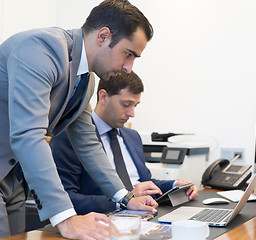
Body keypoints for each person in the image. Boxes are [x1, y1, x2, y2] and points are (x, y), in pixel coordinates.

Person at [0, 1, 158, 239]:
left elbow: (88, 143)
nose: (129, 67)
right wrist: (65, 217)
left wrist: (125, 197)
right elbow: (29, 135)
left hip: (14, 178)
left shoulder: (85, 81)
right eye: (128, 54)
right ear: (103, 36)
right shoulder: (41, 50)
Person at [49, 71, 199, 215]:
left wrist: (176, 185)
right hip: (102, 220)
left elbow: (145, 183)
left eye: (135, 106)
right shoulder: (69, 136)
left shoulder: (132, 136)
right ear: (103, 97)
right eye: (126, 104)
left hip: (142, 216)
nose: (132, 113)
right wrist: (125, 199)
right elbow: (66, 199)